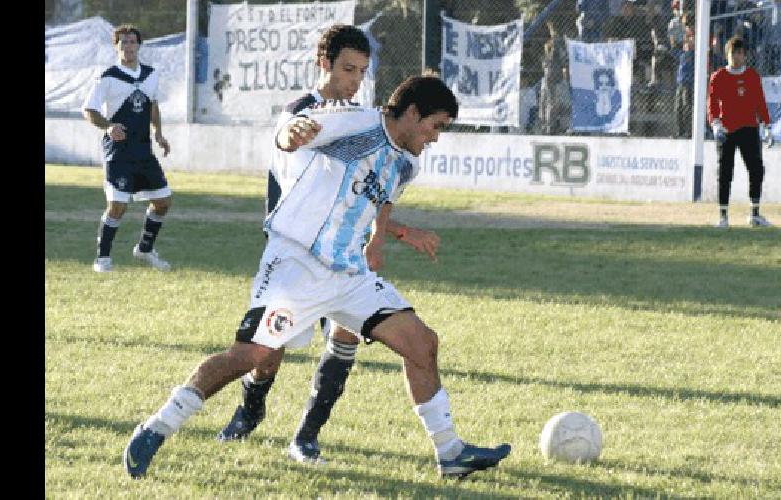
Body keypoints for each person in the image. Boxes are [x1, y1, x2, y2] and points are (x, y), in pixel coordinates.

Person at [123, 75, 511, 480]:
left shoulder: (408, 161)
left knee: (422, 343)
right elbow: (291, 134)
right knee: (250, 356)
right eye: (436, 126)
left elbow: (382, 200)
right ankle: (156, 427)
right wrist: (291, 133)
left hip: (348, 274)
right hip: (298, 262)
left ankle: (450, 453)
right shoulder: (355, 123)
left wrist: (383, 238)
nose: (436, 137)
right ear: (413, 113)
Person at [216, 24, 442, 465]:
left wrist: (381, 236)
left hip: (344, 258)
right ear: (324, 64)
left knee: (347, 336)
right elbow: (298, 160)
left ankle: (307, 435)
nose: (354, 81)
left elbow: (372, 188)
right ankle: (250, 410)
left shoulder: (361, 120)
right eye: (346, 70)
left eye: (361, 72)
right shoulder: (303, 113)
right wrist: (292, 132)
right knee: (268, 352)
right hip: (296, 252)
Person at [82, 24, 173, 272]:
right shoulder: (108, 76)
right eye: (123, 42)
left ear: (139, 46)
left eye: (132, 42)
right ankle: (102, 259)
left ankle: (144, 249)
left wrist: (159, 133)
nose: (129, 46)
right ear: (116, 47)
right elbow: (89, 110)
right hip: (118, 152)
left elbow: (152, 105)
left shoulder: (151, 75)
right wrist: (108, 127)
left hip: (143, 151)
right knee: (118, 206)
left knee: (163, 200)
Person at [707, 36, 773, 228]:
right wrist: (715, 124)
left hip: (749, 129)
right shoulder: (718, 77)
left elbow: (760, 102)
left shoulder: (752, 76)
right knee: (725, 172)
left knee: (757, 169)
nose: (736, 57)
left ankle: (754, 214)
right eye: (732, 53)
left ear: (745, 55)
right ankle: (723, 217)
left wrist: (767, 125)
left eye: (740, 53)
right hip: (726, 130)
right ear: (726, 55)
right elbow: (711, 103)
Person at [673, 26, 695, 138]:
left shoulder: (693, 54)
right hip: (680, 82)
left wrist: (691, 45)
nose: (687, 41)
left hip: (688, 82)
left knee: (687, 106)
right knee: (678, 107)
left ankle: (688, 131)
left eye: (690, 38)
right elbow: (673, 50)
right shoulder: (681, 52)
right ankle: (679, 131)